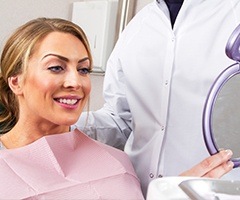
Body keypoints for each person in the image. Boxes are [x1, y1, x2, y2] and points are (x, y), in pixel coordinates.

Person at [75, 0, 240, 197]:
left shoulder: (234, 16)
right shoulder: (139, 26)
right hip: (140, 194)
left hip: (215, 194)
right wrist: (56, 124)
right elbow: (121, 121)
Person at [0, 17, 144, 199]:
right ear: (16, 82)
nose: (75, 82)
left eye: (83, 69)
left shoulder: (118, 163)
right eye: (56, 68)